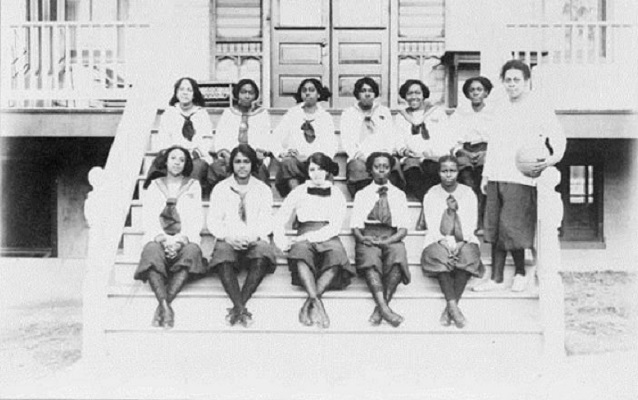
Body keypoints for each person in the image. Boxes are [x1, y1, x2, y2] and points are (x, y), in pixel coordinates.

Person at [473, 60, 566, 293]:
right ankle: (495, 279)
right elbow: (494, 143)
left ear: (526, 82)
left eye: (516, 80)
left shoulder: (539, 105)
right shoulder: (501, 107)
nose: (512, 84)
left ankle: (520, 273)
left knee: (512, 227)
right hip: (497, 174)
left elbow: (557, 135)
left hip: (522, 176)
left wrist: (553, 158)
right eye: (508, 80)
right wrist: (486, 175)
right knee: (494, 227)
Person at [273, 153, 355, 328]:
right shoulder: (299, 191)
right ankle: (318, 304)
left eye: (321, 169)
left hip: (328, 234)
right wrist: (282, 241)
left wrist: (308, 237)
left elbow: (334, 227)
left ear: (327, 171)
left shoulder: (336, 193)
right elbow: (279, 218)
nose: (316, 173)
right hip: (304, 230)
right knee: (300, 251)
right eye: (312, 169)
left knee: (337, 255)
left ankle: (309, 303)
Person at [133, 146, 206, 328]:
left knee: (192, 251)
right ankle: (166, 307)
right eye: (173, 158)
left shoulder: (193, 185)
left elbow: (195, 218)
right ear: (165, 161)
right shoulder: (154, 185)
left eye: (181, 160)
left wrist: (181, 240)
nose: (177, 163)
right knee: (151, 251)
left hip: (182, 238)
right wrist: (162, 238)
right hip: (160, 238)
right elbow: (149, 218)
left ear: (186, 164)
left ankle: (161, 308)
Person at [207, 144, 277, 327]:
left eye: (246, 161)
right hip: (230, 239)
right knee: (221, 253)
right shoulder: (221, 188)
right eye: (237, 161)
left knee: (263, 251)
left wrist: (254, 237)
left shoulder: (263, 190)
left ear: (253, 164)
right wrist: (228, 237)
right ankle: (240, 307)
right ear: (232, 164)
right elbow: (214, 220)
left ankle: (239, 305)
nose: (242, 166)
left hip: (253, 239)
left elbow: (267, 220)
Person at [421, 155, 484, 328]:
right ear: (439, 172)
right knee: (440, 256)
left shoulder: (468, 193)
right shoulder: (432, 194)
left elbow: (472, 222)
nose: (448, 175)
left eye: (452, 171)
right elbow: (432, 224)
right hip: (439, 238)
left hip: (464, 238)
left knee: (467, 255)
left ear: (458, 172)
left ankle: (449, 308)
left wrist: (462, 242)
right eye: (444, 171)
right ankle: (453, 307)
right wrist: (442, 241)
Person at [351, 152, 411, 327]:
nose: (381, 171)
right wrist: (363, 238)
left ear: (390, 170)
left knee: (398, 253)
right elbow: (355, 226)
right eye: (377, 167)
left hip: (391, 236)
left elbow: (404, 228)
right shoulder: (362, 194)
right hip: (369, 234)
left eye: (385, 167)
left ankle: (381, 309)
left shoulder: (398, 194)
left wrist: (389, 240)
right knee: (369, 257)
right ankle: (385, 308)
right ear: (370, 170)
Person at [340, 77, 405, 196]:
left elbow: (390, 136)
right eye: (363, 91)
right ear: (357, 94)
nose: (367, 94)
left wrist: (384, 155)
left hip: (381, 154)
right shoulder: (348, 113)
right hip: (360, 156)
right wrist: (359, 155)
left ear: (375, 94)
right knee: (357, 166)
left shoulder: (383, 112)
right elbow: (346, 140)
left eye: (370, 91)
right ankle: (365, 199)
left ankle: (388, 198)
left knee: (393, 163)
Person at [273, 79, 337, 197]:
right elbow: (276, 137)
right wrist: (283, 153)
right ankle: (298, 198)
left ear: (318, 94)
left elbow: (331, 145)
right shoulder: (292, 114)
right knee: (288, 163)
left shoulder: (325, 117)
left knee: (324, 168)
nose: (307, 93)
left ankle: (322, 201)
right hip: (295, 164)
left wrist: (313, 158)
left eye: (311, 90)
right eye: (304, 90)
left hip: (316, 162)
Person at [448, 76, 494, 233]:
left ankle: (482, 223)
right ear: (467, 94)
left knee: (484, 181)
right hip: (465, 150)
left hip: (487, 150)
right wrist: (463, 151)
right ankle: (469, 222)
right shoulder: (460, 113)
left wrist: (486, 152)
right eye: (472, 90)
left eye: (479, 90)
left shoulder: (493, 113)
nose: (475, 93)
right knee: (467, 181)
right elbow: (452, 139)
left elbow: (498, 138)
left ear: (486, 93)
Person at [209, 79, 274, 187]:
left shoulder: (261, 114)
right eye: (243, 92)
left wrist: (258, 154)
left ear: (255, 96)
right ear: (237, 94)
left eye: (251, 93)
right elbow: (220, 137)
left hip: (254, 157)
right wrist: (226, 154)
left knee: (260, 170)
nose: (247, 96)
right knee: (215, 168)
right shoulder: (229, 113)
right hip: (230, 156)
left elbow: (266, 138)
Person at [156, 77, 214, 196]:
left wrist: (194, 154)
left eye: (189, 90)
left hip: (197, 156)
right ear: (176, 93)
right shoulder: (169, 114)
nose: (185, 93)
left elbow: (207, 139)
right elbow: (163, 138)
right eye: (181, 89)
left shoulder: (202, 114)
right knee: (160, 170)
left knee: (195, 168)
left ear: (194, 94)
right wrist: (175, 155)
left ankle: (188, 201)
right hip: (174, 155)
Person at [395, 79, 451, 202]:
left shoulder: (436, 113)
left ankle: (434, 202)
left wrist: (432, 152)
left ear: (423, 95)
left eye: (417, 93)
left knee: (432, 168)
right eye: (409, 93)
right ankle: (427, 202)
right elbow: (397, 140)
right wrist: (405, 151)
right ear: (404, 96)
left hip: (433, 156)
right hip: (412, 158)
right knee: (412, 172)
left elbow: (445, 137)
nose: (414, 97)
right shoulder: (401, 117)